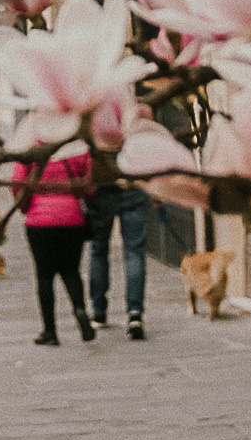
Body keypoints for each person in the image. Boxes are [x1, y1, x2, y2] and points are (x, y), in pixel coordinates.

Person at [11, 148, 94, 346]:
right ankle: (80, 309)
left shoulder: (31, 144)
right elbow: (90, 182)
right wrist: (78, 196)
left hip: (39, 221)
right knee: (71, 271)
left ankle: (50, 331)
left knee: (45, 276)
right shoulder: (77, 145)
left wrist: (25, 207)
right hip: (72, 217)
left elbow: (17, 181)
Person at [83, 153, 149, 341]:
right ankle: (135, 314)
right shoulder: (131, 122)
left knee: (99, 249)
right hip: (133, 187)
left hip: (102, 189)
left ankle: (99, 312)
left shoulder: (95, 124)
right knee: (134, 252)